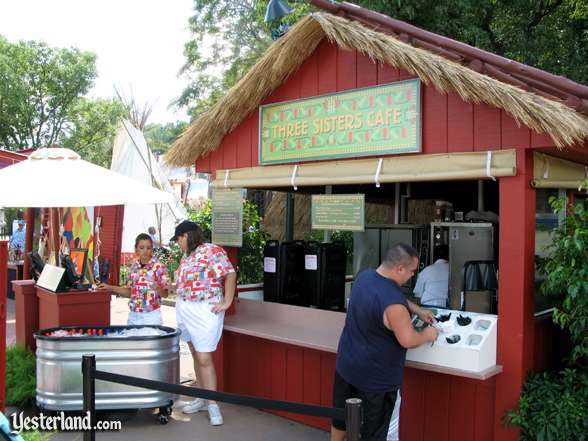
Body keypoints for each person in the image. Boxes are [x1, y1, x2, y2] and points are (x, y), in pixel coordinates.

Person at [331, 243, 439, 441]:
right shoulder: (394, 304)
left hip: (346, 367)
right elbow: (408, 339)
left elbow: (391, 296)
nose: (412, 276)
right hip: (376, 382)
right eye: (412, 271)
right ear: (399, 269)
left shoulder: (365, 277)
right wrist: (429, 334)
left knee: (341, 421)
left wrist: (417, 310)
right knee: (375, 434)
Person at [172, 220, 236, 426]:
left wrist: (227, 301)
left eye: (178, 239)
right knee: (194, 353)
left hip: (204, 309)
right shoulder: (187, 256)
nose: (178, 244)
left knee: (204, 357)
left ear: (186, 236)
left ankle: (213, 404)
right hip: (185, 308)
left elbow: (230, 273)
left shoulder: (212, 250)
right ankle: (201, 397)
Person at [104, 233, 169, 325]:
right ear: (136, 249)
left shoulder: (159, 267)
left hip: (152, 316)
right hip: (133, 316)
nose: (145, 251)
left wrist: (157, 288)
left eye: (148, 248)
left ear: (152, 250)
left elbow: (165, 294)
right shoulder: (133, 267)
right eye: (141, 248)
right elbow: (130, 292)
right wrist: (110, 287)